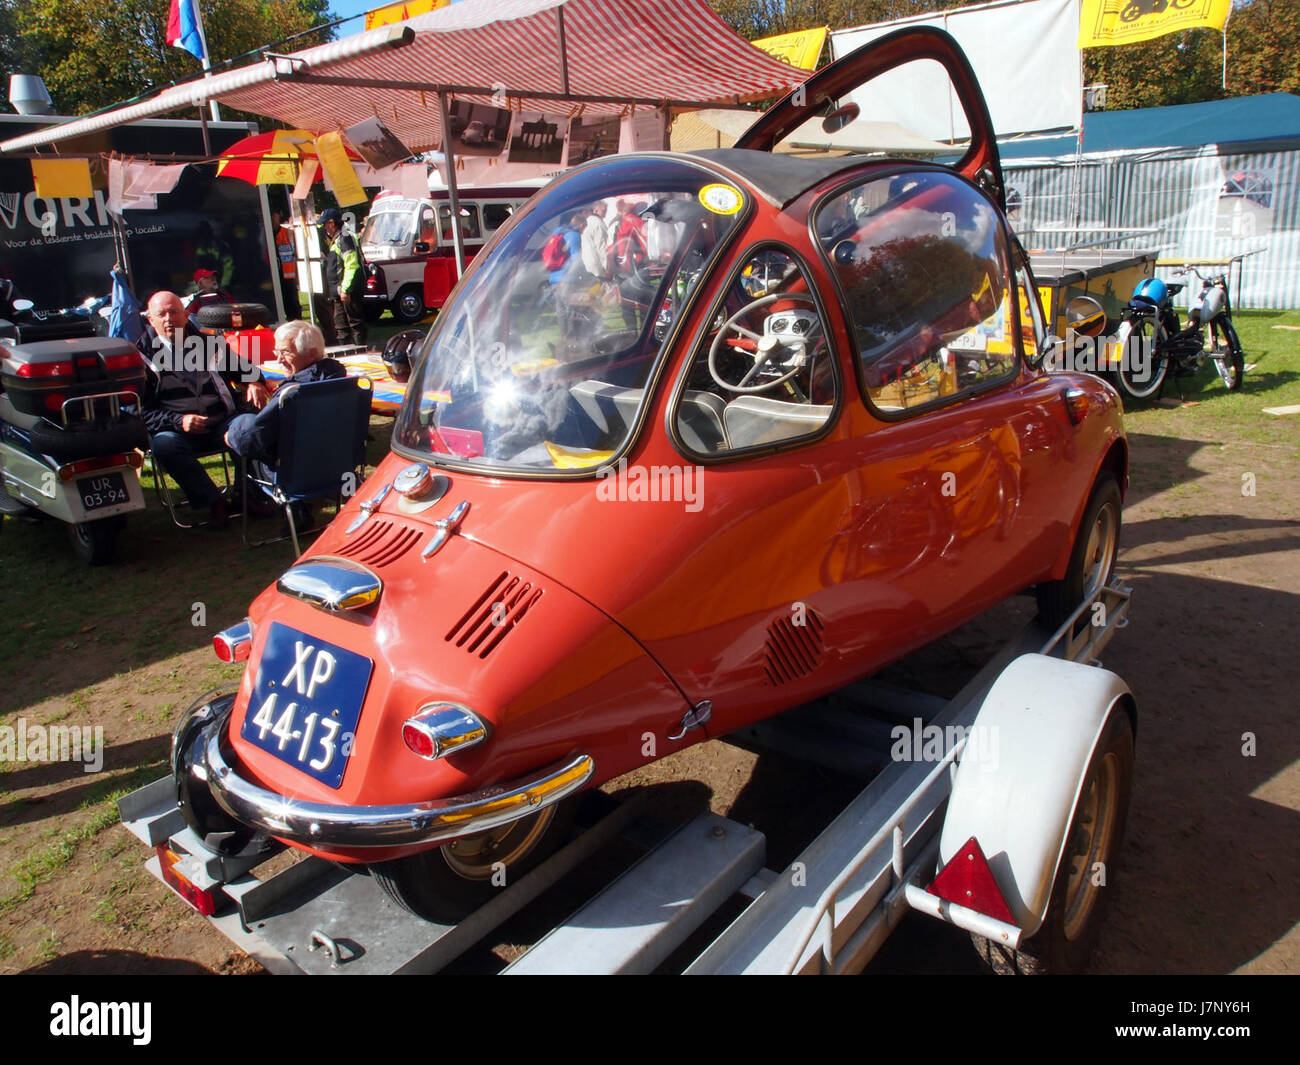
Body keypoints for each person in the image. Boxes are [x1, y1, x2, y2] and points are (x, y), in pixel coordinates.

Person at [137, 291, 269, 528]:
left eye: (174, 312)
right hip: (176, 432)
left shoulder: (209, 344)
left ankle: (246, 495)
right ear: (150, 320)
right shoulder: (141, 357)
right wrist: (179, 421)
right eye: (161, 314)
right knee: (163, 445)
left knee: (249, 426)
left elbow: (247, 369)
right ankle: (213, 501)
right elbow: (142, 413)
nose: (169, 319)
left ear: (187, 316)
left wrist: (255, 382)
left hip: (220, 422)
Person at [224, 320, 346, 467]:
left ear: (311, 354)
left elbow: (250, 440)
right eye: (277, 352)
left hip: (294, 471)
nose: (279, 360)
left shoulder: (294, 393)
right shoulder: (340, 381)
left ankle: (244, 489)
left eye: (286, 352)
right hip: (337, 466)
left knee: (242, 426)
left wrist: (231, 436)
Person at [319, 207, 366, 348]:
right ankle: (346, 353)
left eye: (325, 224)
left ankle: (360, 351)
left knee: (354, 323)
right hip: (340, 292)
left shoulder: (344, 238)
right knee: (341, 325)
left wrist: (346, 289)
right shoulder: (339, 238)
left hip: (347, 291)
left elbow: (352, 265)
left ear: (332, 223)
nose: (324, 228)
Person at [271, 209, 300, 320]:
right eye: (271, 216)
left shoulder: (288, 233)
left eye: (275, 215)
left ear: (279, 216)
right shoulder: (265, 234)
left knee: (293, 309)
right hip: (273, 278)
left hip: (288, 278)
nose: (273, 219)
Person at [193, 221, 234, 290]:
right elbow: (198, 267)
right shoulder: (201, 248)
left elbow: (228, 266)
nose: (201, 238)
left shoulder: (219, 246)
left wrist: (224, 285)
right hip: (206, 286)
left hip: (221, 286)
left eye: (202, 235)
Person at [580, 201, 610, 281]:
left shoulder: (587, 222)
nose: (605, 214)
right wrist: (608, 268)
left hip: (588, 266)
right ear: (595, 210)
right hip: (598, 268)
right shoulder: (597, 223)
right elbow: (602, 247)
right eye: (603, 211)